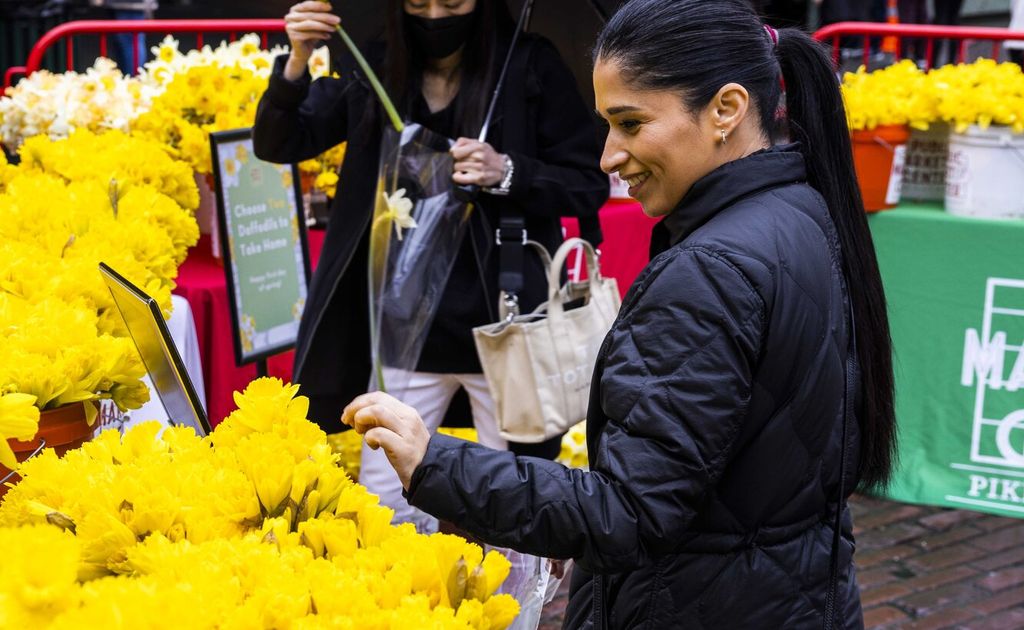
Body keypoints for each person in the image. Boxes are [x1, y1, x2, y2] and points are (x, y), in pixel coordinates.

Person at [340, 0, 898, 626]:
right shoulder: (804, 210)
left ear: (726, 110)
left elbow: (628, 512)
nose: (608, 156)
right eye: (608, 125)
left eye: (631, 124)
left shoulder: (713, 270)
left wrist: (433, 461)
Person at [253, 0, 608, 530]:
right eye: (419, 3)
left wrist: (508, 171)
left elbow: (588, 183)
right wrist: (298, 59)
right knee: (386, 499)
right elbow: (278, 141)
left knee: (515, 494)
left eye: (456, 3)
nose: (436, 16)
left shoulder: (528, 64)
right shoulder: (375, 65)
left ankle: (513, 611)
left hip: (506, 325)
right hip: (403, 325)